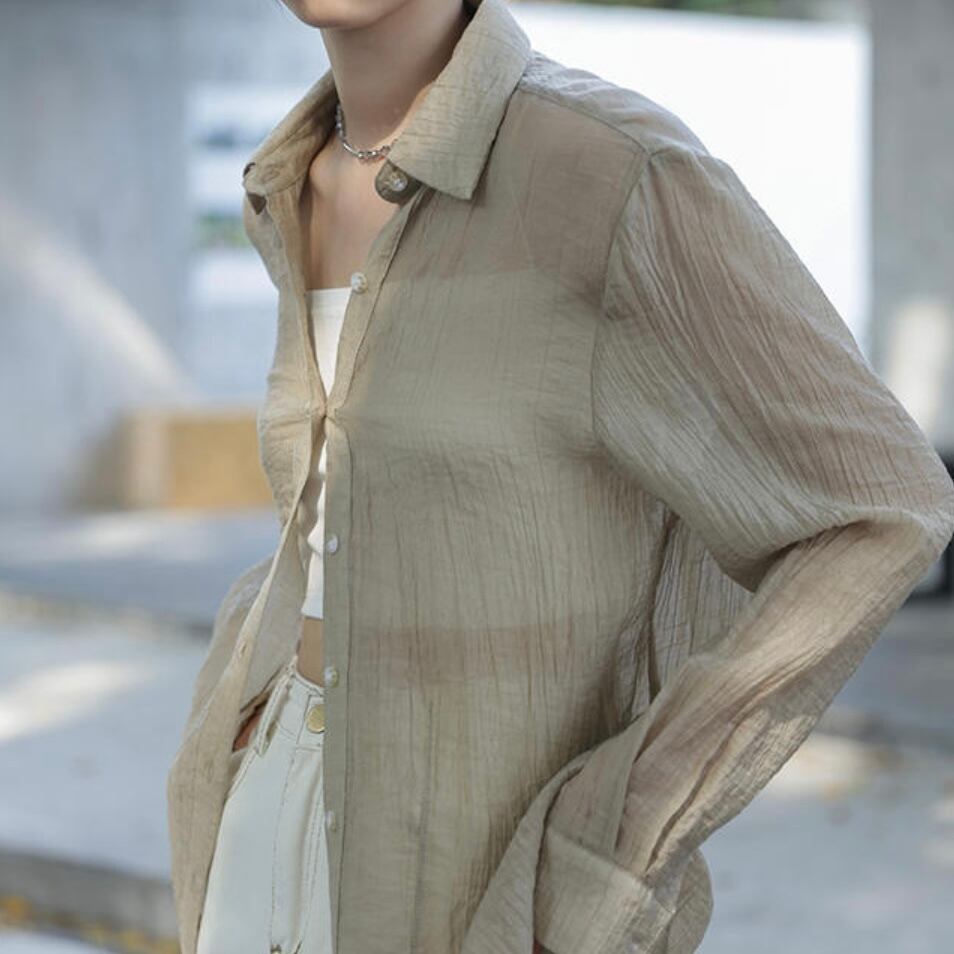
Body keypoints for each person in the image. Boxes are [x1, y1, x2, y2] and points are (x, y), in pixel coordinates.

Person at [166, 0, 954, 952]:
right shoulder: (288, 182)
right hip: (257, 805)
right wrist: (245, 674)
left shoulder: (610, 172)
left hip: (474, 867)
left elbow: (881, 504)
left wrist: (623, 831)